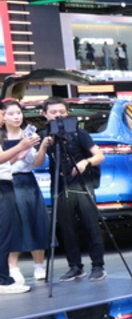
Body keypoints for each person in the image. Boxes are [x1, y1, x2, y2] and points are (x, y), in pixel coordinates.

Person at [31, 98, 107, 282]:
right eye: (53, 113)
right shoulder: (44, 135)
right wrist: (43, 146)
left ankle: (98, 266)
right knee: (66, 228)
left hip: (82, 183)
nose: (58, 116)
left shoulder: (79, 133)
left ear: (67, 113)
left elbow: (99, 156)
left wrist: (85, 162)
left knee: (91, 225)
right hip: (59, 185)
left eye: (62, 112)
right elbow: (37, 163)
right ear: (45, 114)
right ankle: (75, 267)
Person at [2, 101, 50, 284]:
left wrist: (42, 147)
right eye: (11, 114)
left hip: (28, 181)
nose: (16, 117)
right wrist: (18, 153)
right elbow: (5, 164)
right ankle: (13, 267)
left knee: (36, 221)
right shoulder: (1, 137)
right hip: (8, 182)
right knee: (13, 225)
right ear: (3, 116)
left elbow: (37, 163)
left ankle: (39, 265)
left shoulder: (30, 134)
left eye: (19, 113)